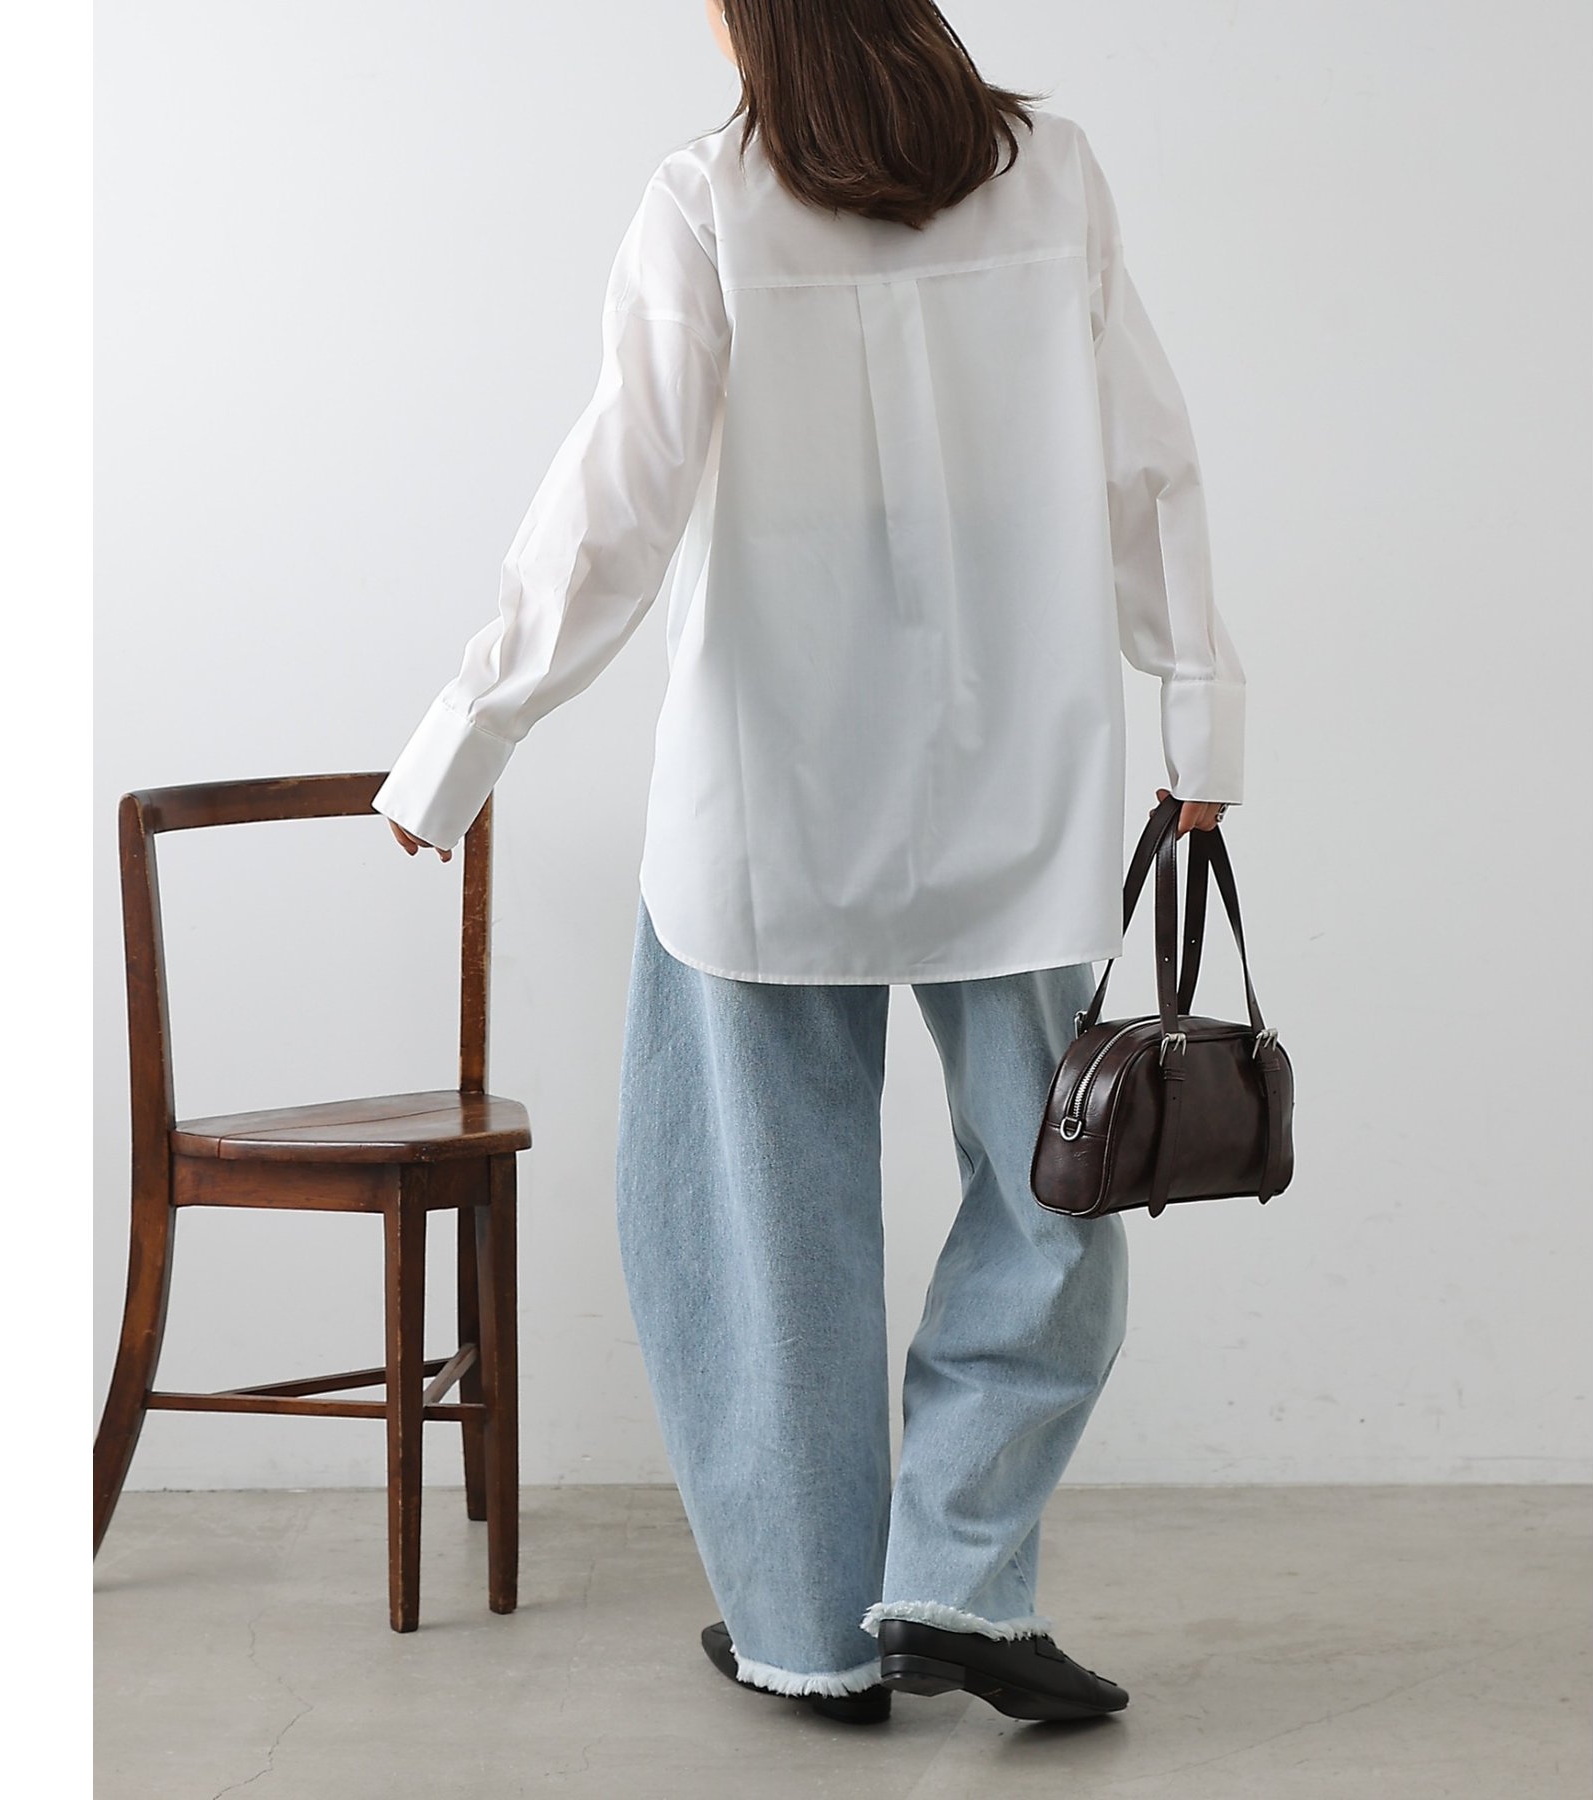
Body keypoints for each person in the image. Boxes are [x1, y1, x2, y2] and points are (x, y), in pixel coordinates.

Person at [373, 0, 1244, 1728]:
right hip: (1017, 779)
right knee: (1059, 1186)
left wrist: (467, 734)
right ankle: (955, 1576)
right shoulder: (1051, 176)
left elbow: (613, 501)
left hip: (767, 806)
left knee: (754, 1230)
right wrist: (1199, 723)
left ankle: (812, 1630)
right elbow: (1150, 467)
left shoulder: (707, 201)